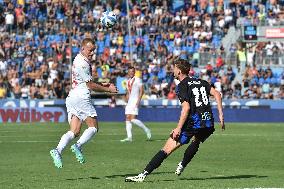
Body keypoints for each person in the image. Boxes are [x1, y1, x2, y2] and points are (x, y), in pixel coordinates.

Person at [125, 59, 225, 182]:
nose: (173, 70)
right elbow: (217, 94)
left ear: (179, 71)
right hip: (208, 121)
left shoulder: (182, 86)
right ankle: (182, 164)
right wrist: (221, 115)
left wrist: (178, 128)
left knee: (167, 148)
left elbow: (186, 108)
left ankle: (142, 175)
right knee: (196, 141)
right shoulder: (201, 81)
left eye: (174, 68)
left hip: (194, 121)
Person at [50, 38, 118, 168]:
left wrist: (102, 84)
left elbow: (85, 81)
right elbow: (90, 85)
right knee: (93, 127)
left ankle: (57, 151)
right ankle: (78, 146)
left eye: (93, 50)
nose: (92, 52)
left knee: (74, 131)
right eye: (89, 50)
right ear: (82, 48)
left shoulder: (79, 59)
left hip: (72, 97)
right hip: (81, 97)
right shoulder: (83, 63)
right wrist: (107, 89)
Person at [120, 66, 151, 142]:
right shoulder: (127, 81)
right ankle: (129, 137)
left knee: (133, 119)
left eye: (132, 71)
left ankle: (147, 129)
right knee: (127, 118)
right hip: (129, 102)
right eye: (130, 71)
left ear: (134, 72)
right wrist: (126, 101)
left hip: (135, 101)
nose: (131, 73)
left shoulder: (138, 80)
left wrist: (138, 101)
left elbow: (142, 91)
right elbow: (128, 92)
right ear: (128, 72)